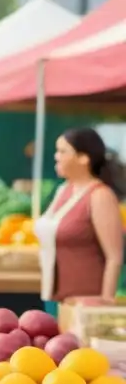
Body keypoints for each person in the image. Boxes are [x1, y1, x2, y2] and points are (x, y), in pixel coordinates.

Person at [36, 127, 124, 310]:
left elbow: (114, 256)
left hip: (84, 304)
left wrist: (105, 301)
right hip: (55, 298)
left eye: (63, 151)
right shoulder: (63, 190)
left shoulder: (100, 196)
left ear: (84, 158)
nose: (56, 156)